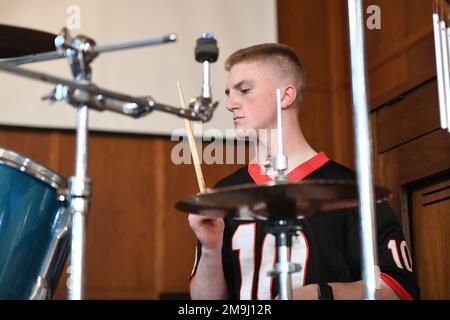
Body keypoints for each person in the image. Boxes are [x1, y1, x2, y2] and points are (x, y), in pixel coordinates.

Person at [188, 43, 419, 300]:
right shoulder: (223, 193)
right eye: (228, 92)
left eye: (244, 90)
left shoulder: (352, 190)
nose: (230, 104)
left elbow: (399, 289)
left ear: (286, 96)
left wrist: (321, 294)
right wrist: (211, 248)